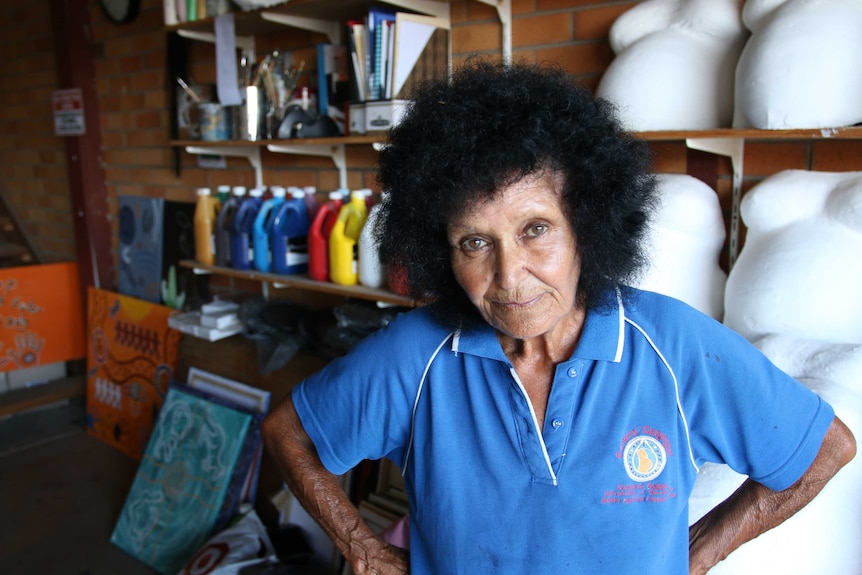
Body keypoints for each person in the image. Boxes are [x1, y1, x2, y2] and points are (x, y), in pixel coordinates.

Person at [261, 60, 856, 574]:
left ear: (586, 226)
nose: (510, 275)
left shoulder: (671, 345)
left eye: (535, 230)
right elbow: (288, 432)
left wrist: (700, 551)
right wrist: (361, 549)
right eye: (474, 243)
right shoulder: (418, 353)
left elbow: (823, 449)